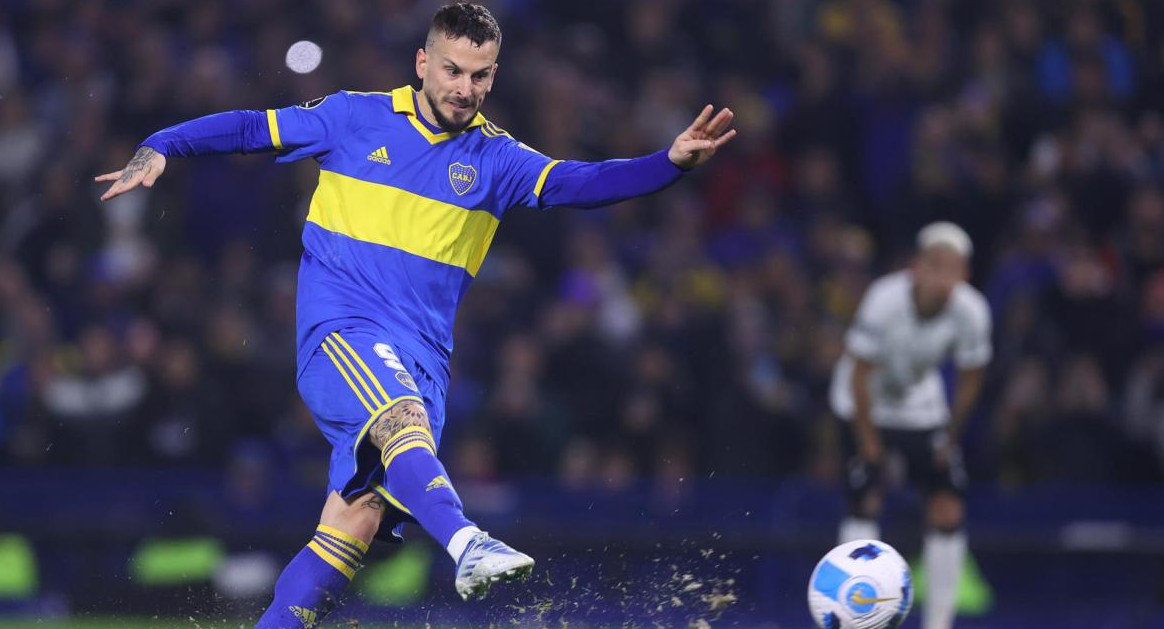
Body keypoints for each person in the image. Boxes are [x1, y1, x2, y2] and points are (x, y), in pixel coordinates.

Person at [96, 2, 735, 627]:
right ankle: (465, 542)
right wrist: (160, 146)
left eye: (480, 75)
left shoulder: (498, 159)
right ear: (422, 62)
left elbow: (582, 183)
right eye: (453, 70)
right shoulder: (352, 117)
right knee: (397, 422)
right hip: (342, 336)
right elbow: (247, 128)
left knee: (352, 525)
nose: (465, 88)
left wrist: (669, 164)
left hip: (423, 361)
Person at [828, 222, 991, 629]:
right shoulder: (884, 299)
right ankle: (855, 618)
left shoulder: (972, 310)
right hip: (862, 403)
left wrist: (949, 439)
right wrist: (868, 443)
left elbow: (971, 377)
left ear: (964, 273)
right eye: (935, 265)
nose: (943, 277)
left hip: (922, 407)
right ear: (917, 267)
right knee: (865, 497)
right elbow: (859, 373)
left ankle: (939, 622)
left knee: (947, 504)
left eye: (953, 267)